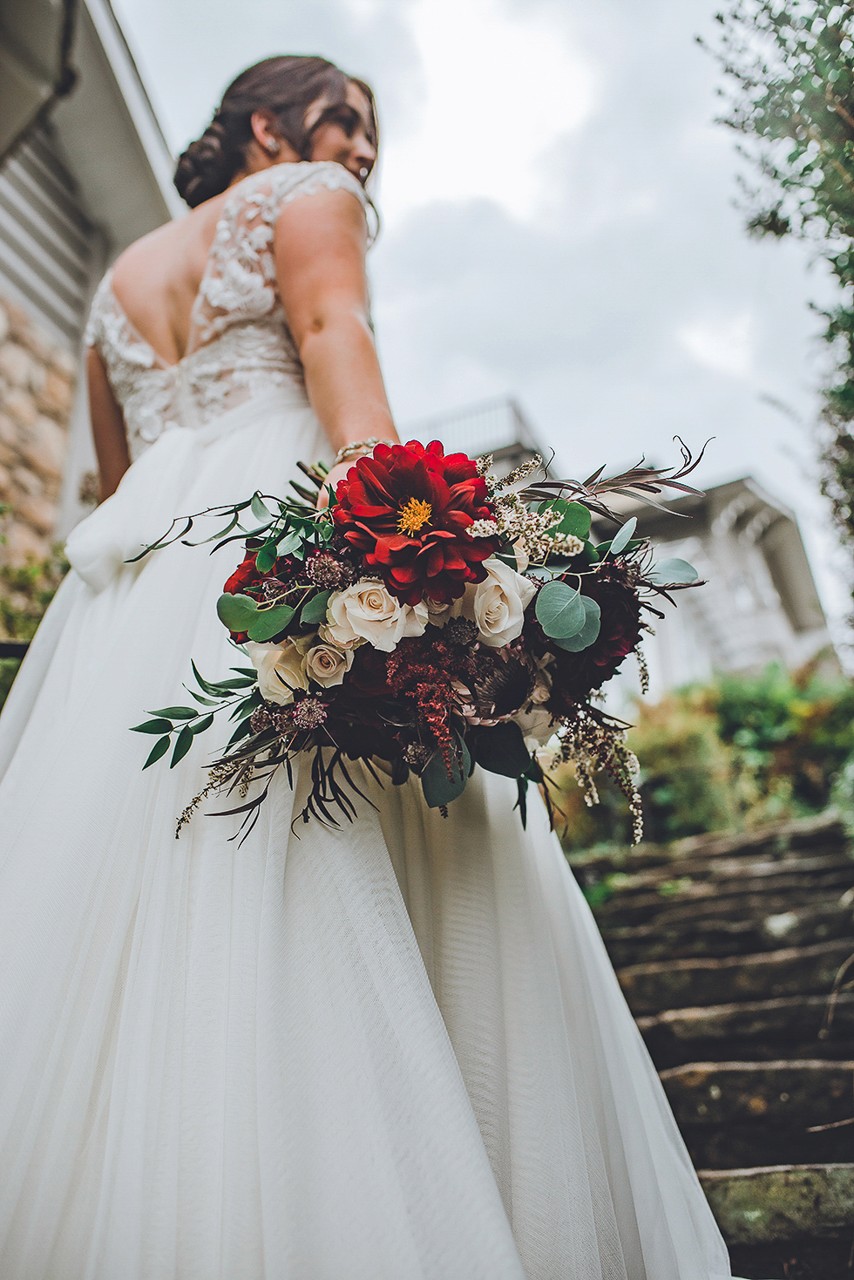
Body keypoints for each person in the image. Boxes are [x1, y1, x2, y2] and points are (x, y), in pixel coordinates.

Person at [0, 54, 738, 1280]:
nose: (360, 154)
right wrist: (408, 547)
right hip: (280, 532)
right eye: (343, 122)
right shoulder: (306, 197)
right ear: (261, 126)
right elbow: (331, 330)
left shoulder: (113, 287)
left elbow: (117, 474)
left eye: (367, 136)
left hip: (136, 595)